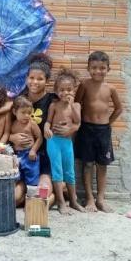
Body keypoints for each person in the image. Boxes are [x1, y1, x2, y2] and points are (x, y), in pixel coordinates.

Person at [8, 54, 78, 207]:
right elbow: (8, 126)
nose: (35, 82)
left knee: (40, 196)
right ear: (26, 78)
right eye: (31, 78)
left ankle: (53, 198)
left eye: (40, 79)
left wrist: (71, 128)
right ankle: (30, 193)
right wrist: (12, 138)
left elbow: (73, 115)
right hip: (24, 157)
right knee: (14, 198)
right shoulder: (19, 100)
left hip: (46, 156)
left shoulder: (54, 100)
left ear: (47, 81)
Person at [74, 51, 122, 213]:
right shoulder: (84, 85)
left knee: (102, 165)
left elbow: (119, 108)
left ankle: (101, 199)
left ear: (108, 69)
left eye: (102, 68)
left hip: (103, 131)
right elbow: (76, 104)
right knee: (87, 164)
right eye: (94, 68)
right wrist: (77, 123)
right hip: (86, 129)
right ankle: (89, 199)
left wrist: (109, 122)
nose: (98, 71)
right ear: (88, 68)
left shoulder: (111, 88)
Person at [44, 69, 85, 215]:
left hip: (67, 142)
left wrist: (72, 104)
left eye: (68, 89)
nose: (65, 93)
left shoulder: (76, 106)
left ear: (74, 90)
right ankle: (61, 202)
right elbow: (48, 122)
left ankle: (73, 201)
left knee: (70, 171)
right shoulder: (53, 105)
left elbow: (78, 121)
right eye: (61, 90)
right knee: (57, 171)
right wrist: (46, 129)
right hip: (53, 141)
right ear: (56, 90)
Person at [10, 96, 42, 187]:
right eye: (23, 112)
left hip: (29, 155)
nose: (27, 115)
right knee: (15, 177)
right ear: (15, 112)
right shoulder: (13, 124)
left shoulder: (32, 123)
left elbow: (39, 138)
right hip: (16, 155)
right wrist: (11, 137)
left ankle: (31, 197)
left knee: (32, 178)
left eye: (29, 113)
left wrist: (33, 150)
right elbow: (7, 135)